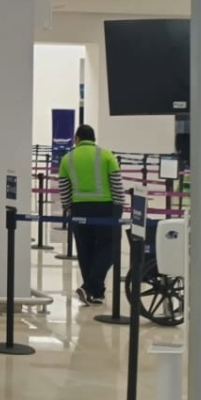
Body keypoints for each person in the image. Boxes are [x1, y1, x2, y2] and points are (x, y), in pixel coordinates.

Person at [58, 124, 125, 306]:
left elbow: (64, 189)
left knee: (85, 250)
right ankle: (91, 288)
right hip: (105, 208)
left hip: (79, 209)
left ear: (77, 139)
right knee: (109, 248)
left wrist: (68, 208)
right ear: (94, 139)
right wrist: (120, 206)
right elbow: (117, 185)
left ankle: (95, 291)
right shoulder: (106, 155)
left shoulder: (67, 159)